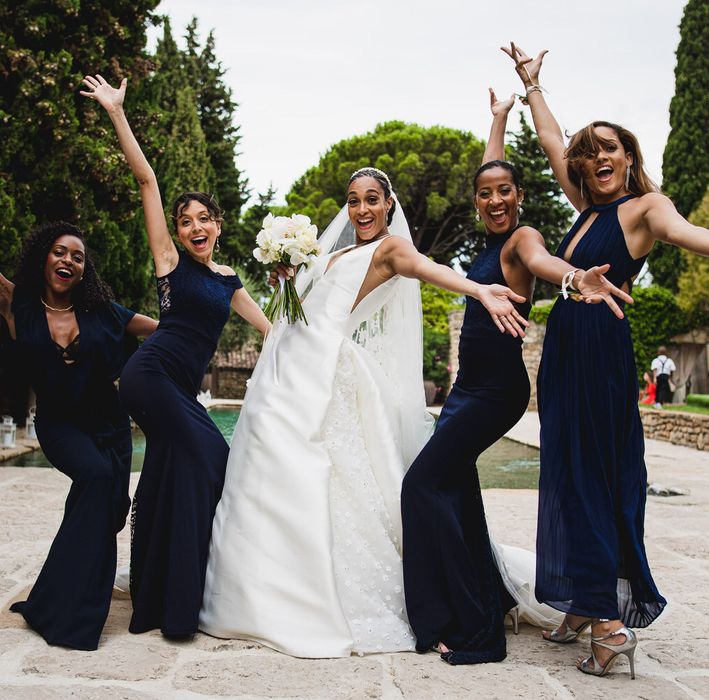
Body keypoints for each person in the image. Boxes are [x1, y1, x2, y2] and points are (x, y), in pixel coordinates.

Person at [505, 42, 709, 678]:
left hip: (599, 346)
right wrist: (532, 84)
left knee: (591, 476)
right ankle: (580, 601)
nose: (598, 158)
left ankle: (609, 624)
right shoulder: (586, 211)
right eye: (588, 152)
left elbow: (685, 232)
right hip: (568, 347)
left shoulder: (643, 210)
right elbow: (549, 143)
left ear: (629, 156)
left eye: (609, 148)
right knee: (568, 471)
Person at [199, 167, 528, 657]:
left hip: (323, 373)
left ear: (389, 204)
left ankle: (329, 594)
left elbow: (427, 268)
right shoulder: (333, 254)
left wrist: (478, 290)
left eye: (372, 199)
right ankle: (258, 582)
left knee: (331, 482)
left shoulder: (390, 249)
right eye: (354, 201)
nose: (362, 210)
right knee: (268, 478)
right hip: (284, 368)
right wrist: (286, 278)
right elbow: (300, 311)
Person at [401, 90, 632, 665]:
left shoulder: (522, 239)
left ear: (521, 197)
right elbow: (490, 169)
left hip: (494, 394)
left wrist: (576, 280)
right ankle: (496, 594)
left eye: (506, 191)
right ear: (478, 201)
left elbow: (545, 264)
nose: (496, 199)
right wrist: (499, 120)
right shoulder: (488, 237)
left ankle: (471, 623)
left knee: (421, 487)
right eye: (486, 193)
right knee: (456, 488)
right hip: (464, 394)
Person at [81, 75, 270, 638]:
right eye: (185, 221)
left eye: (202, 219)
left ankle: (162, 600)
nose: (193, 228)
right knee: (213, 453)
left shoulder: (230, 279)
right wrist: (117, 112)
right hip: (150, 372)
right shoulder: (170, 263)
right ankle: (177, 596)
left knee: (174, 472)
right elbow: (146, 179)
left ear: (217, 225)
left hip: (179, 388)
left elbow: (272, 328)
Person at [1, 222, 156, 650]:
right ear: (43, 258)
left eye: (77, 256)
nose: (68, 260)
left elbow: (159, 330)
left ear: (84, 270)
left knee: (109, 509)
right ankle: (76, 618)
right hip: (59, 425)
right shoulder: (19, 305)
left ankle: (50, 596)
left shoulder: (104, 312)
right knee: (96, 479)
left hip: (109, 425)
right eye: (59, 252)